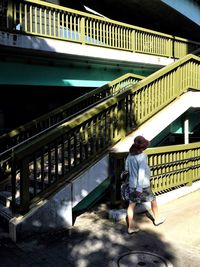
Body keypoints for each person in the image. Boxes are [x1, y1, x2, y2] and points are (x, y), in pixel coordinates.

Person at [125, 135, 165, 234]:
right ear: (143, 146)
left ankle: (130, 227)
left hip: (131, 183)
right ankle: (157, 219)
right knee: (153, 200)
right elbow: (141, 173)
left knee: (131, 205)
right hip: (142, 185)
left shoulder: (130, 155)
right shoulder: (143, 156)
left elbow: (126, 168)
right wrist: (139, 188)